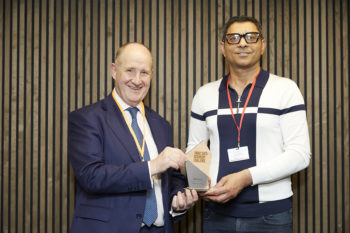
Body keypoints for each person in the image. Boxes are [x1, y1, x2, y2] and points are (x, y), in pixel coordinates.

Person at [186, 16, 311, 233]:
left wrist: (246, 177)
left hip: (271, 216)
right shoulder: (204, 94)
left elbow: (300, 155)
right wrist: (199, 180)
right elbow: (197, 149)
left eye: (251, 37)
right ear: (223, 48)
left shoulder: (286, 89)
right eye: (233, 38)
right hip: (216, 214)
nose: (243, 43)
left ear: (262, 46)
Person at [68, 42, 198, 233]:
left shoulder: (161, 125)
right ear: (114, 70)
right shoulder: (87, 118)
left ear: (151, 76)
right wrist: (152, 166)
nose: (137, 80)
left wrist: (178, 199)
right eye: (130, 70)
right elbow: (91, 176)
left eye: (144, 73)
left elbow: (173, 177)